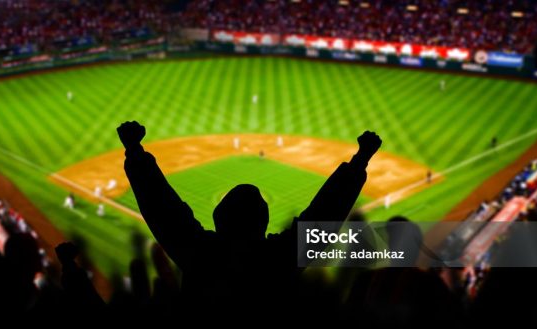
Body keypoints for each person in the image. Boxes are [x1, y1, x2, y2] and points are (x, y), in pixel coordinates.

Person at [117, 121, 381, 311]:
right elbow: (326, 214)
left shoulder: (201, 255)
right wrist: (360, 160)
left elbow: (164, 210)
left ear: (219, 219)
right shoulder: (281, 258)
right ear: (263, 222)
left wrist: (135, 151)